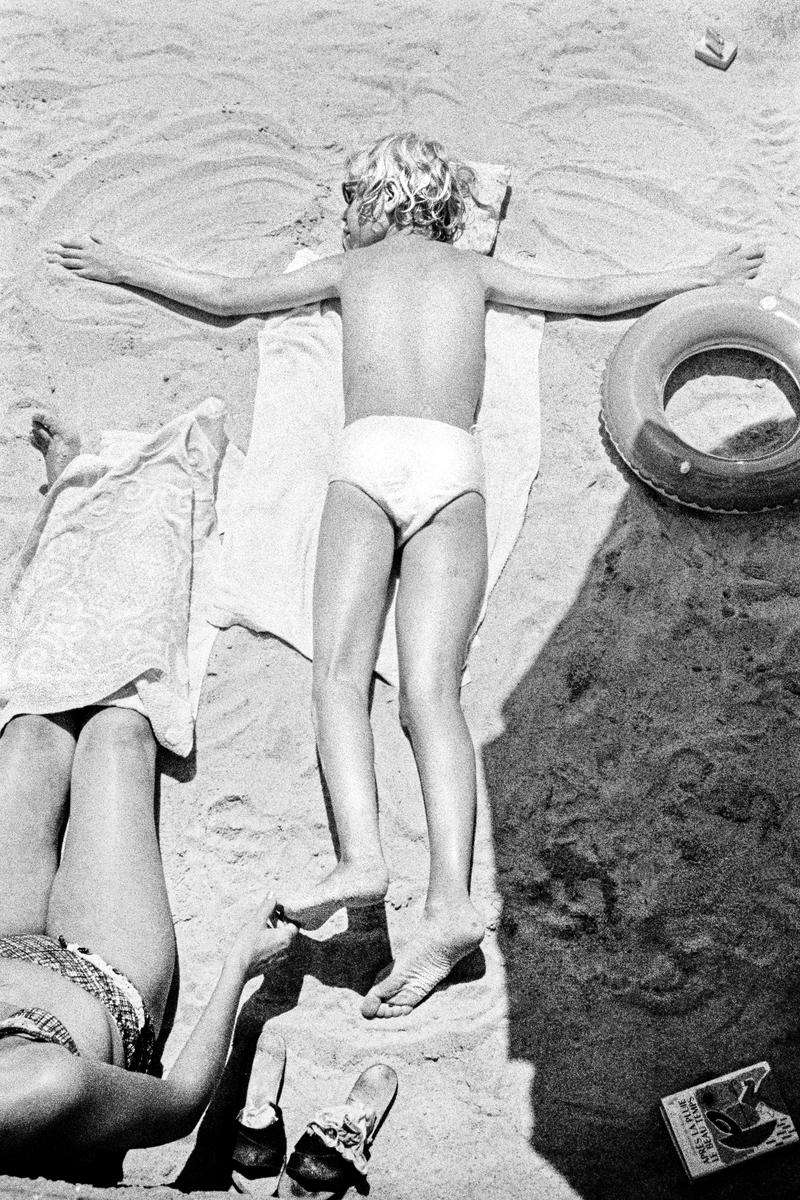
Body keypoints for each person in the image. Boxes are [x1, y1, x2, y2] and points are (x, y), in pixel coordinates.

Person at [46, 132, 765, 1020]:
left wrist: (121, 264)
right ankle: (451, 906)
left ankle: (360, 859)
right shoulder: (473, 270)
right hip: (453, 472)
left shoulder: (351, 268)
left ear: (371, 203)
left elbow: (229, 297)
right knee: (431, 694)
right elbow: (589, 296)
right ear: (450, 207)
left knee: (339, 678)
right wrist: (704, 270)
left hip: (370, 461)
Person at [0, 411, 296, 1170]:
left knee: (32, 733)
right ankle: (154, 488)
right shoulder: (39, 1091)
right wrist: (238, 962)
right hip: (99, 979)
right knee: (116, 735)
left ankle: (71, 489)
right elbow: (180, 1104)